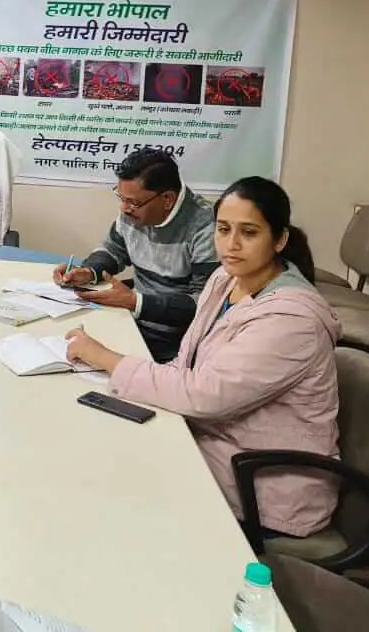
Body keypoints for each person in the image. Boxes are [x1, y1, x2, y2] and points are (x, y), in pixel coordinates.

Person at [66, 177, 340, 538]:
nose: (232, 244)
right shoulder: (225, 280)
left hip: (266, 490)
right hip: (217, 445)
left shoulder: (293, 320)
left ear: (279, 240)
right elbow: (186, 365)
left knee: (115, 488)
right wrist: (114, 373)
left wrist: (106, 358)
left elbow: (204, 395)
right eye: (223, 229)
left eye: (249, 232)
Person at [54, 149, 218, 362]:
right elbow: (113, 249)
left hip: (175, 346)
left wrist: (136, 302)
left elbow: (204, 304)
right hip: (130, 323)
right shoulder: (134, 212)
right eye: (121, 198)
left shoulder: (206, 226)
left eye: (132, 202)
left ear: (167, 199)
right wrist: (88, 271)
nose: (124, 209)